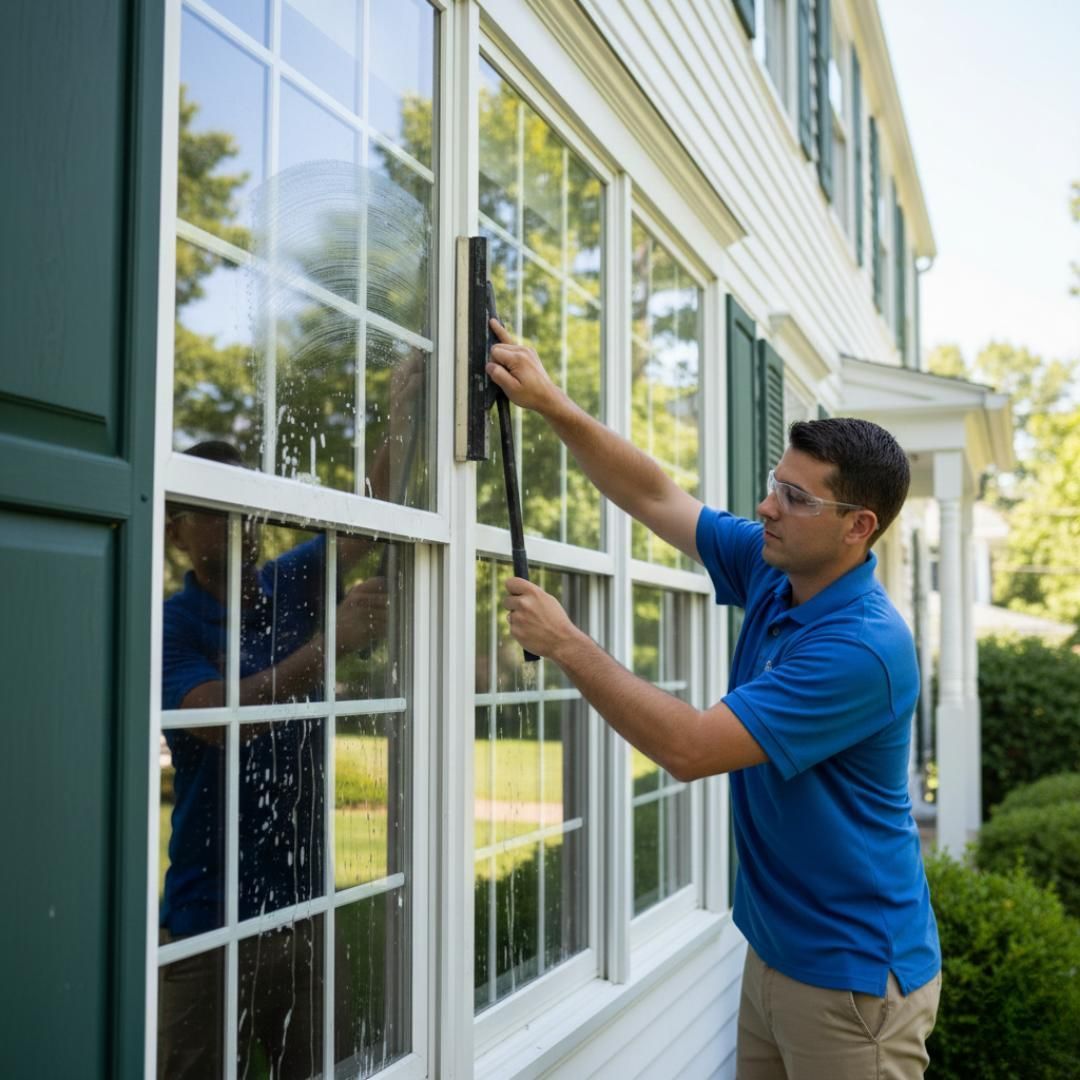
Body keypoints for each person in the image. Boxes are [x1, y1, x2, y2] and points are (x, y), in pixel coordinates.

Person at [486, 318, 941, 1079]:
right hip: (775, 954)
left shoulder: (862, 649)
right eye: (774, 484)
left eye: (793, 497)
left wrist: (567, 642)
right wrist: (553, 405)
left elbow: (692, 748)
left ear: (858, 528)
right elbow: (657, 494)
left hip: (853, 983)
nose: (767, 507)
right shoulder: (779, 570)